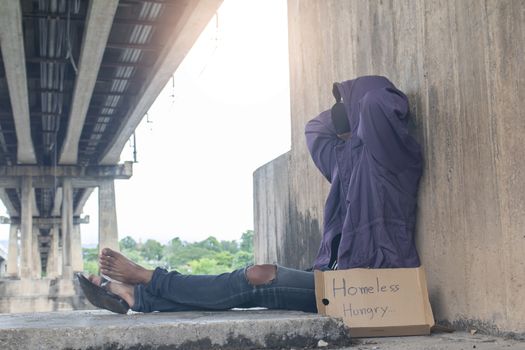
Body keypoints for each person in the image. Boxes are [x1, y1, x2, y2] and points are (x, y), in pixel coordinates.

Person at [79, 75, 422, 314]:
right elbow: (316, 129)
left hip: (377, 283)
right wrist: (344, 117)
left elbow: (378, 101)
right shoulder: (348, 159)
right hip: (340, 276)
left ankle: (148, 281)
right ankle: (138, 296)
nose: (344, 125)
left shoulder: (393, 158)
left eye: (350, 110)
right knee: (246, 286)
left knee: (259, 276)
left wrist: (355, 104)